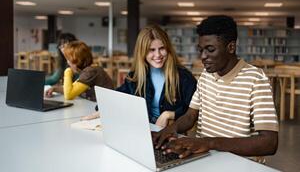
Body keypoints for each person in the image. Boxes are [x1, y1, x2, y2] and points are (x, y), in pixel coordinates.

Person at [152, 15, 279, 160]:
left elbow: (269, 143)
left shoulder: (256, 79)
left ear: (231, 47)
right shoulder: (206, 75)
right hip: (203, 157)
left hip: (237, 163)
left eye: (210, 50)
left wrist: (209, 142)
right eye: (201, 50)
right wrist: (170, 129)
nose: (203, 56)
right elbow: (190, 115)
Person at [82, 25, 197, 126]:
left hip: (170, 132)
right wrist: (104, 108)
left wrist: (170, 114)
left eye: (162, 48)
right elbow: (120, 95)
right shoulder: (136, 76)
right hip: (142, 129)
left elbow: (194, 110)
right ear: (142, 52)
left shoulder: (184, 77)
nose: (158, 55)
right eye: (151, 50)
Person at [45, 41, 113, 102]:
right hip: (94, 106)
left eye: (68, 59)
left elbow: (69, 95)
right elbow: (73, 89)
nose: (67, 62)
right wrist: (54, 89)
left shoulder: (90, 72)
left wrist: (67, 71)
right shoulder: (87, 70)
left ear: (77, 60)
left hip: (104, 109)